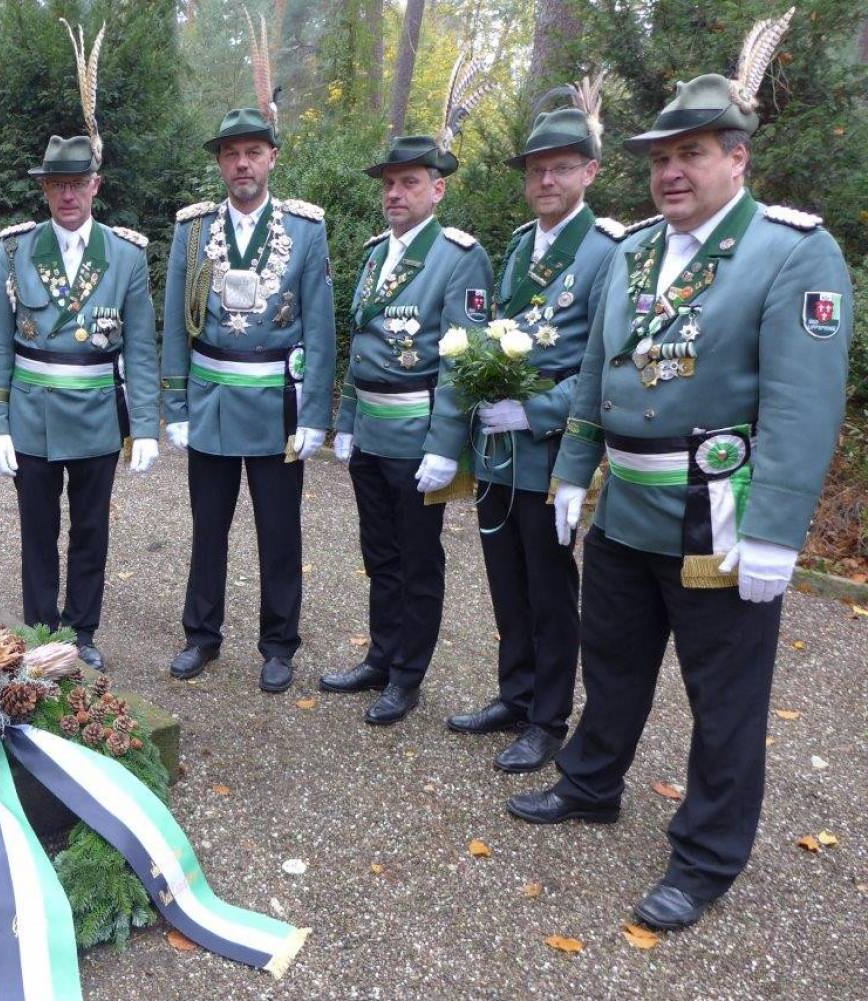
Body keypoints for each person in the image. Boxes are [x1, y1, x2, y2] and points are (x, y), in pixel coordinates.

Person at [508, 11, 853, 931]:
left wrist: (779, 528)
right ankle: (591, 783)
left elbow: (800, 404)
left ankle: (705, 853)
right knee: (614, 663)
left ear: (735, 158)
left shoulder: (790, 251)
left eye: (690, 153)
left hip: (719, 518)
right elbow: (593, 375)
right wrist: (574, 470)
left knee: (723, 697)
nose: (669, 171)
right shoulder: (632, 254)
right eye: (660, 156)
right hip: (626, 511)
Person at [445, 76, 624, 772]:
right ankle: (515, 694)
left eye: (560, 168)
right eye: (535, 169)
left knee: (550, 589)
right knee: (506, 580)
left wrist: (538, 410)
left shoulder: (608, 251)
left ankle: (549, 717)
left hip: (551, 448)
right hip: (500, 445)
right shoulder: (522, 246)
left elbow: (599, 362)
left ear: (590, 171)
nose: (546, 179)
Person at [160, 13, 335, 693]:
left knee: (279, 530)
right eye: (231, 152)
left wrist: (315, 413)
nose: (242, 163)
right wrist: (173, 403)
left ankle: (279, 642)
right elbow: (176, 325)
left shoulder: (306, 230)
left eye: (253, 151)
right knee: (208, 528)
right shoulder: (192, 230)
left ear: (272, 158)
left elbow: (320, 328)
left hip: (276, 401)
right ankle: (201, 636)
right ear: (220, 163)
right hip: (208, 397)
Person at [319, 56, 494, 725]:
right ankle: (381, 656)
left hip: (422, 437)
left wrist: (448, 443)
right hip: (373, 435)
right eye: (390, 183)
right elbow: (362, 345)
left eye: (409, 182)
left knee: (420, 561)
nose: (396, 193)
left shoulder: (457, 256)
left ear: (437, 190)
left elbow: (463, 358)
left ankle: (409, 675)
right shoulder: (373, 254)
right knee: (379, 553)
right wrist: (346, 419)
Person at [0, 23, 158, 672]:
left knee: (90, 532)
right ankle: (37, 632)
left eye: (78, 182)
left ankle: (81, 630)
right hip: (30, 413)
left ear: (96, 186)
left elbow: (140, 348)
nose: (68, 193)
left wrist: (148, 427)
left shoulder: (127, 255)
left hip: (95, 416)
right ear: (45, 189)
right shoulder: (16, 248)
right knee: (37, 535)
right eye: (58, 184)